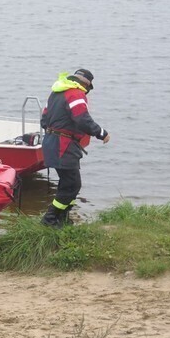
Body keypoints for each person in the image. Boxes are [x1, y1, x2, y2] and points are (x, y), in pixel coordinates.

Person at [40, 69, 111, 227]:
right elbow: (82, 119)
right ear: (86, 83)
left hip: (52, 142)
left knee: (67, 183)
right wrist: (101, 133)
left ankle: (63, 218)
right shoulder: (76, 94)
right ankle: (50, 219)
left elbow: (44, 119)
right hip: (63, 145)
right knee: (73, 184)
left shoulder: (56, 92)